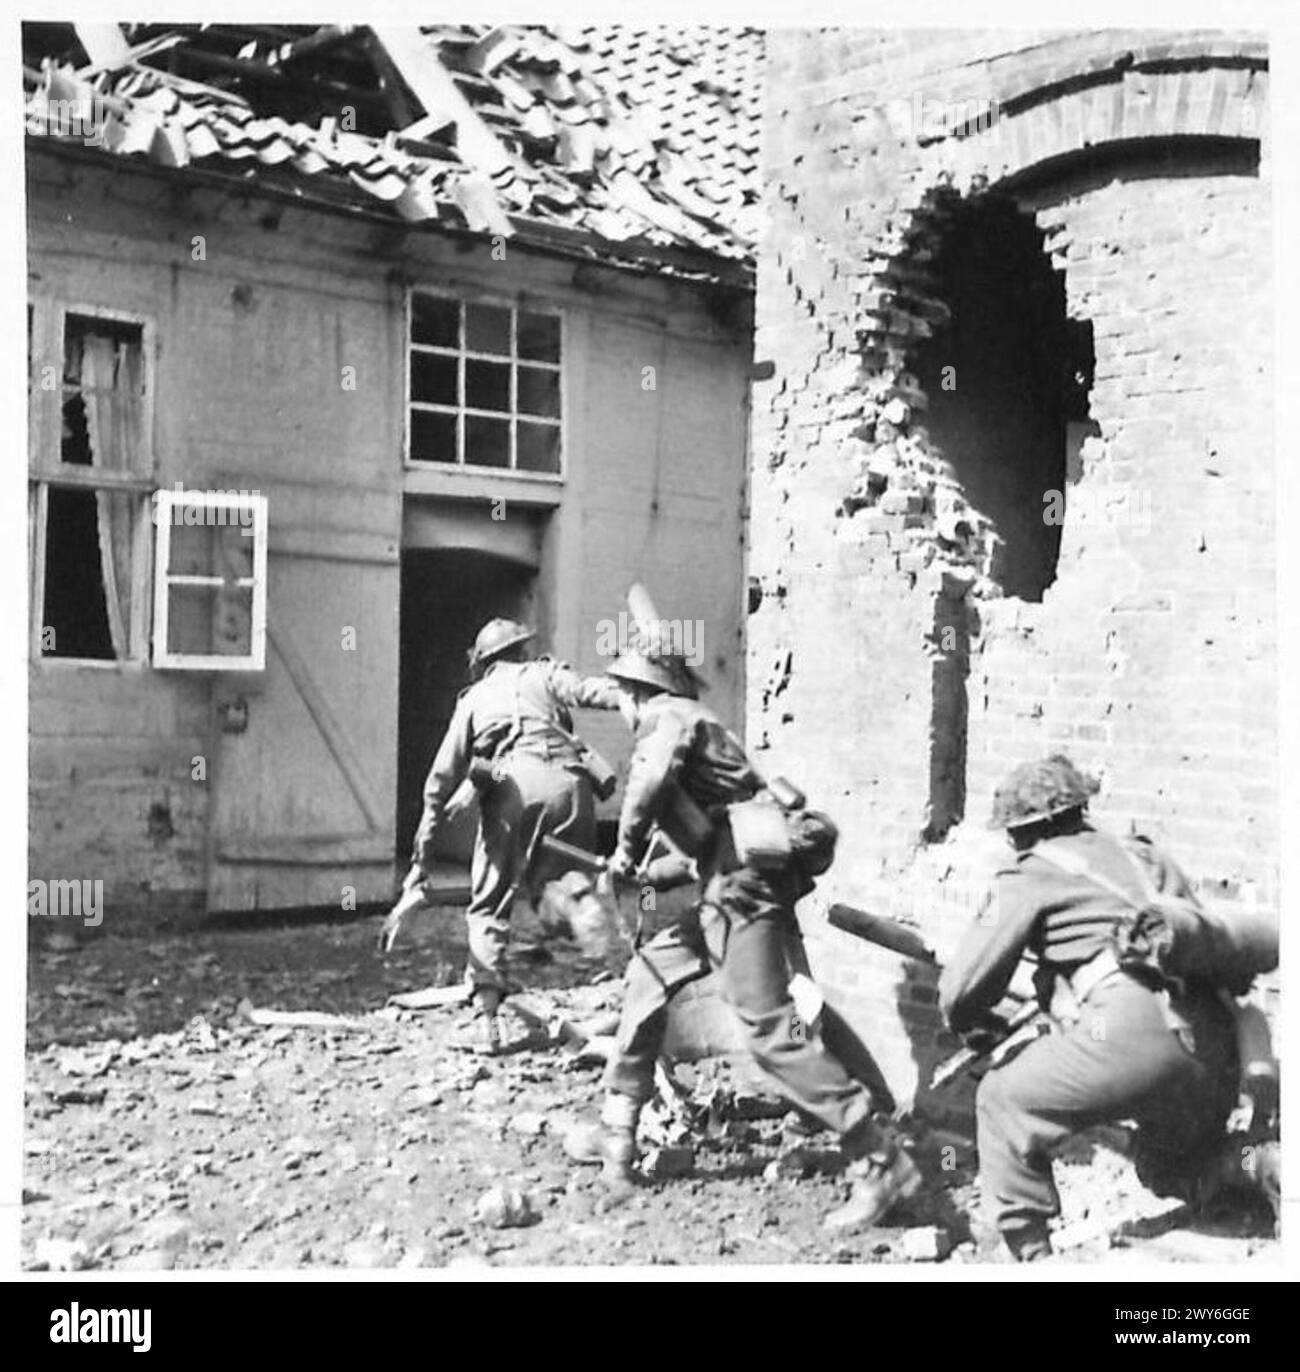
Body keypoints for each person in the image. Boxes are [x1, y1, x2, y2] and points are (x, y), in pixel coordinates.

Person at [566, 643, 921, 1231]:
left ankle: (879, 1159)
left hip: (739, 893)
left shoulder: (668, 718)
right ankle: (618, 1138)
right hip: (725, 888)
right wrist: (638, 875)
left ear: (636, 693)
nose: (626, 711)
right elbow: (703, 849)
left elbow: (648, 785)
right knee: (648, 974)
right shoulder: (704, 741)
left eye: (624, 698)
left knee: (768, 1033)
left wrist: (624, 851)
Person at [939, 754, 1275, 1261]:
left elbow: (961, 992)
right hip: (1215, 1039)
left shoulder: (1030, 873)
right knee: (1170, 1167)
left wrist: (973, 1028)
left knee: (1001, 1100)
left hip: (1132, 1035)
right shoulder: (1143, 854)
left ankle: (1033, 1257)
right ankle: (1265, 1163)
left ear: (1023, 831)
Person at [402, 617, 620, 1053]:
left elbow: (438, 782)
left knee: (489, 902)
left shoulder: (474, 698)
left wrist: (420, 861)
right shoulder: (546, 672)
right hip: (569, 787)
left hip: (510, 787)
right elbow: (591, 692)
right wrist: (644, 696)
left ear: (483, 662)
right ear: (520, 651)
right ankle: (604, 955)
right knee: (568, 882)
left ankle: (487, 1021)